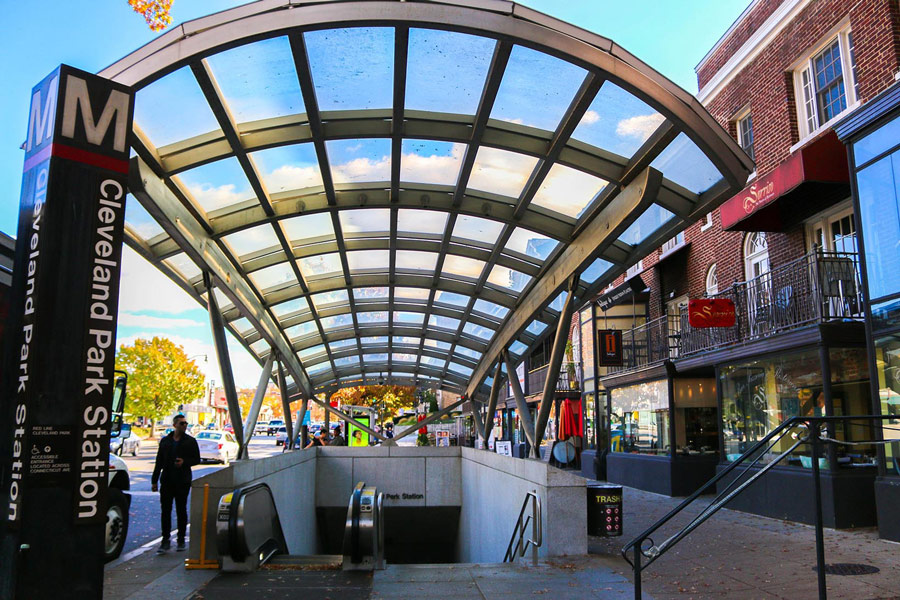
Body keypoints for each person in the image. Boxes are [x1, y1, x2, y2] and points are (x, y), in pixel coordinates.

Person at [152, 414, 200, 553]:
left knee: (181, 510)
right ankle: (165, 540)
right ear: (175, 425)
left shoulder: (190, 441)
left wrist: (184, 462)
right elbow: (159, 461)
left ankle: (180, 539)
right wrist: (154, 480)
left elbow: (196, 459)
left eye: (186, 423)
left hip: (182, 480)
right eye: (182, 423)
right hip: (167, 479)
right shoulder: (165, 441)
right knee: (165, 511)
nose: (185, 426)